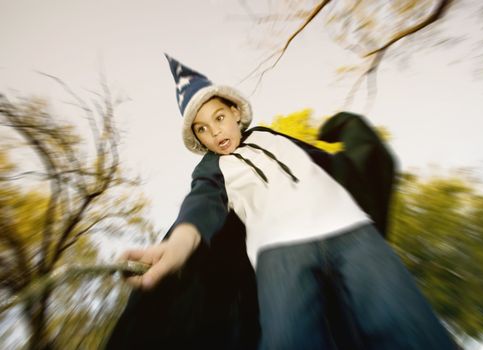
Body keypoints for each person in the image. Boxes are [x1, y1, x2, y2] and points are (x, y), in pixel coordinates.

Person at [112, 54, 458, 350]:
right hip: (279, 255)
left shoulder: (270, 136)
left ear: (235, 112)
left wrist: (355, 141)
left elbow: (324, 164)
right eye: (202, 129)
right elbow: (202, 202)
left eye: (218, 118)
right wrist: (178, 245)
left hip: (350, 232)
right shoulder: (212, 165)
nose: (215, 133)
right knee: (290, 339)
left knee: (407, 325)